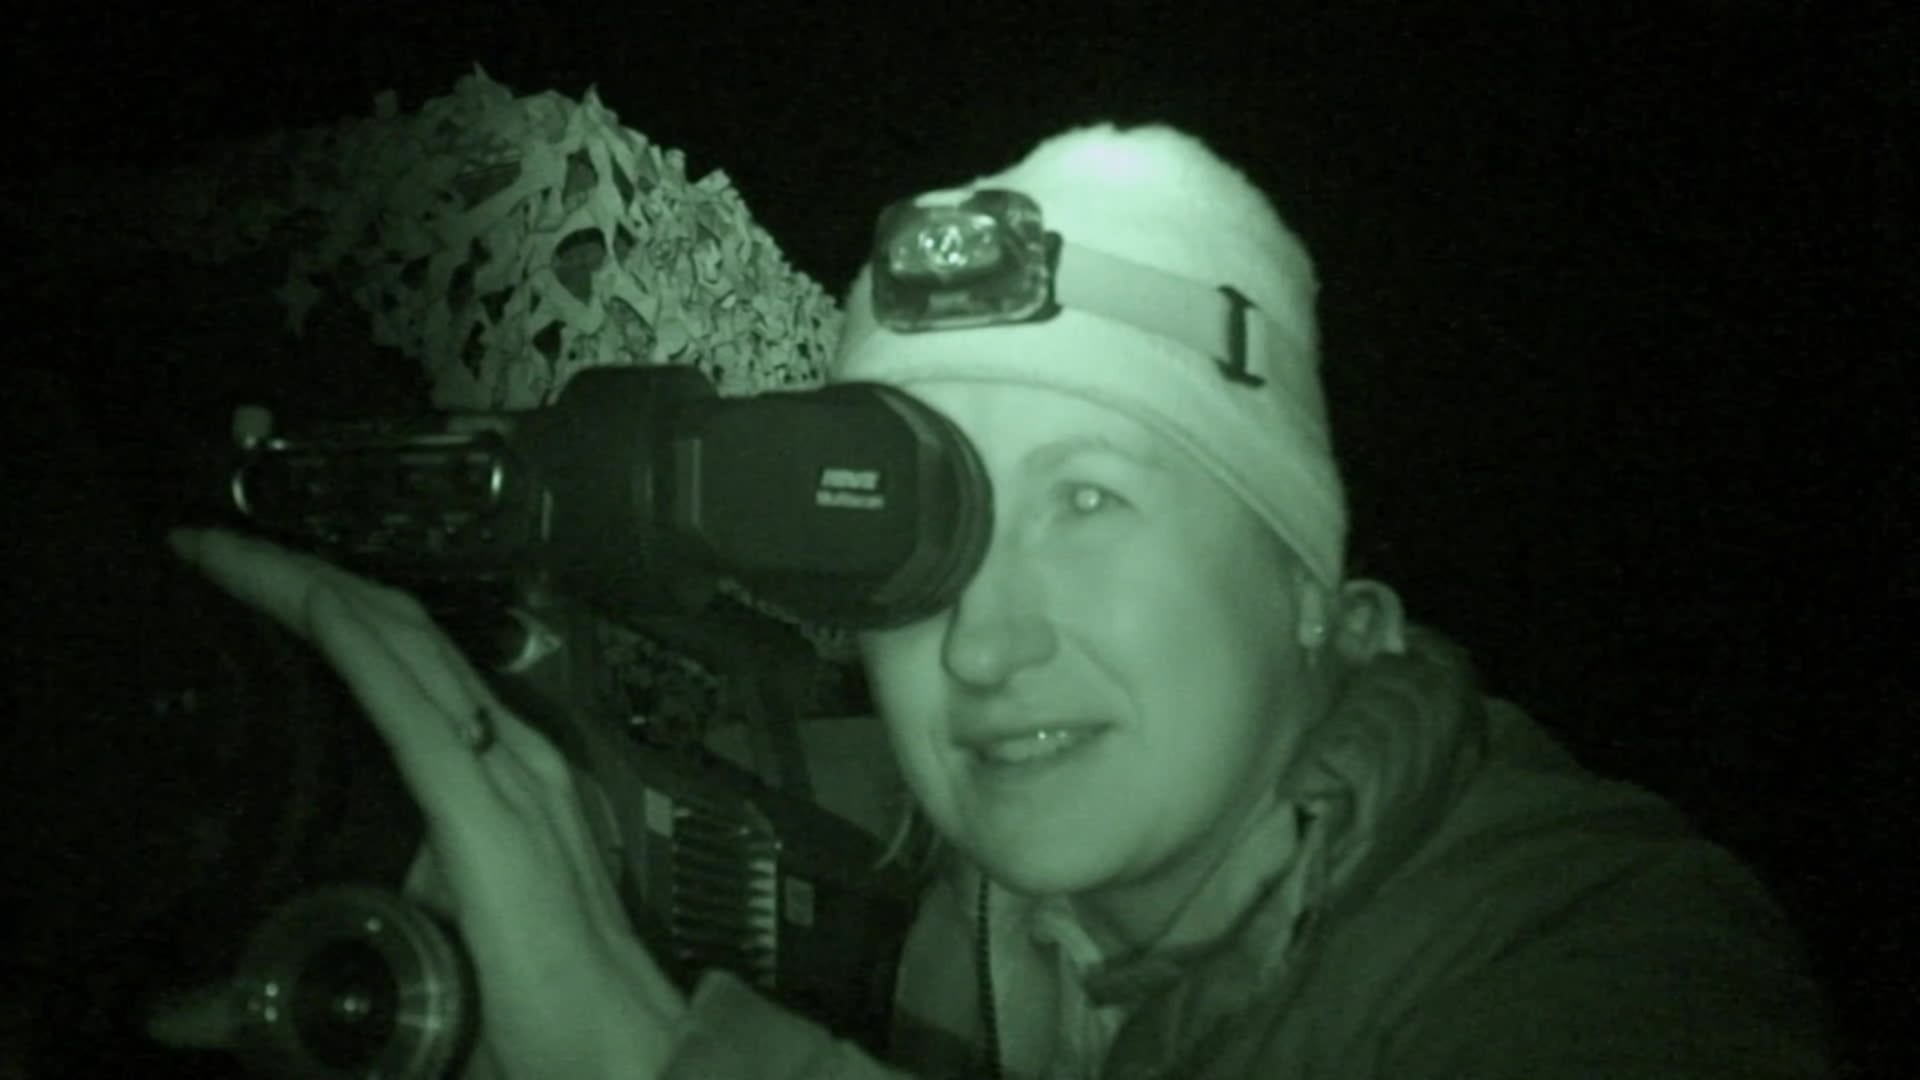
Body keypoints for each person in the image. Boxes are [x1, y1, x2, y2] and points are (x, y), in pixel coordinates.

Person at [169, 123, 1836, 1078]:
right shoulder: (966, 897)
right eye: (917, 544)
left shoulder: (1606, 950)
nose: (983, 638)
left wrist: (648, 1058)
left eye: (1089, 500)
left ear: (1305, 583)